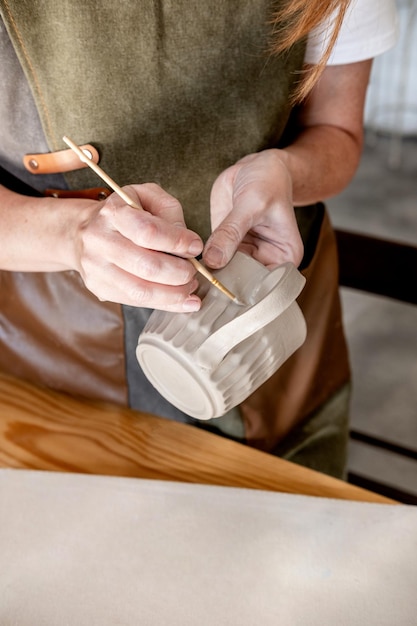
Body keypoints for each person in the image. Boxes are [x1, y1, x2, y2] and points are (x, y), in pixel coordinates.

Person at [0, 0, 398, 478]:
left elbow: (335, 130)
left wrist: (287, 170)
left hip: (264, 287)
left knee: (274, 523)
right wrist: (71, 235)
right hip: (55, 330)